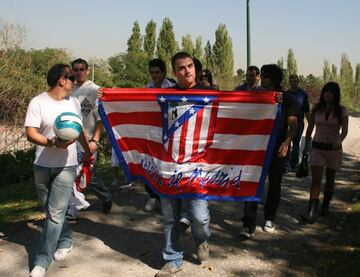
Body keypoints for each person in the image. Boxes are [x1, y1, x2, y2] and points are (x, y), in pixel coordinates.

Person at [25, 64, 90, 277]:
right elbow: (30, 133)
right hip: (42, 164)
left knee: (54, 214)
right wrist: (52, 143)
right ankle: (66, 239)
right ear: (62, 80)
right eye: (72, 77)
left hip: (66, 166)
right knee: (50, 210)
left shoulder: (73, 103)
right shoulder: (38, 102)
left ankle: (41, 261)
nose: (75, 80)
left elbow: (78, 130)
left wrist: (88, 150)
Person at [155, 52, 212, 277]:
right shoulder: (166, 95)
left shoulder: (209, 93)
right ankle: (172, 259)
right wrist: (108, 96)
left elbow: (242, 105)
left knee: (199, 217)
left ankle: (201, 239)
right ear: (175, 72)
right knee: (170, 216)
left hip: (199, 166)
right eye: (181, 68)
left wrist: (270, 101)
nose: (187, 70)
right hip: (170, 166)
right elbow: (137, 101)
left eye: (190, 66)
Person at [239, 64, 298, 239]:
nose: (261, 79)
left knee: (274, 184)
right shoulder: (255, 96)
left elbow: (293, 125)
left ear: (274, 79)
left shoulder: (286, 99)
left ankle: (269, 217)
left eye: (264, 76)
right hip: (256, 147)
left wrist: (286, 143)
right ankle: (248, 224)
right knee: (252, 183)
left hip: (277, 148)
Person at [301, 82, 348, 223]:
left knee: (330, 178)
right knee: (316, 180)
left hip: (333, 149)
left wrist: (340, 140)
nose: (327, 94)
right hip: (317, 148)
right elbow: (310, 127)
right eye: (325, 91)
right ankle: (311, 210)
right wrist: (306, 144)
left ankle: (325, 205)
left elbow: (344, 131)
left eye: (331, 92)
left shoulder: (342, 110)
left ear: (336, 94)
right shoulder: (316, 108)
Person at [70, 58, 112, 215]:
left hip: (88, 139)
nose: (79, 72)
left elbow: (100, 118)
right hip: (70, 139)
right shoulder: (69, 89)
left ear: (87, 71)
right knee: (72, 173)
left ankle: (105, 196)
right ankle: (73, 210)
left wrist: (95, 140)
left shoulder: (95, 90)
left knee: (89, 174)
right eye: (76, 69)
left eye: (82, 69)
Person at [144, 58, 176, 211]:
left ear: (164, 72)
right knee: (149, 164)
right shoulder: (147, 87)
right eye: (152, 72)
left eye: (157, 72)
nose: (154, 75)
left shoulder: (173, 87)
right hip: (151, 131)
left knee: (165, 165)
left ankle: (167, 196)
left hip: (168, 132)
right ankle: (152, 195)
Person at [285, 74, 310, 171]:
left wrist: (310, 122)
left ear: (298, 82)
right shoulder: (286, 94)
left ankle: (293, 162)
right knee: (287, 142)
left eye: (295, 81)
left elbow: (306, 109)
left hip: (299, 122)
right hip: (288, 123)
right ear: (289, 82)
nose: (293, 83)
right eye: (291, 81)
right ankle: (286, 163)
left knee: (296, 143)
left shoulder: (303, 94)